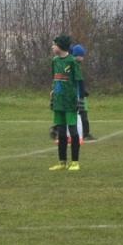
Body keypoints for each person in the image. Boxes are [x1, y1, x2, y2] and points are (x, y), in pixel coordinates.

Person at [48, 35, 83, 172]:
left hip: (70, 101)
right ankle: (62, 162)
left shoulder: (73, 62)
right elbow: (55, 80)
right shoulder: (55, 61)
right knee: (61, 132)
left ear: (61, 46)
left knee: (73, 131)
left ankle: (75, 162)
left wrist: (79, 100)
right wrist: (53, 92)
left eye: (54, 44)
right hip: (59, 102)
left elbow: (79, 81)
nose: (52, 47)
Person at [71, 43, 94, 142]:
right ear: (77, 55)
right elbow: (77, 81)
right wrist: (81, 92)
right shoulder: (74, 65)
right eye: (81, 56)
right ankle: (85, 133)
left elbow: (80, 81)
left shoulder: (77, 65)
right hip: (77, 96)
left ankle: (83, 132)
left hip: (80, 95)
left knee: (81, 114)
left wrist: (84, 91)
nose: (83, 58)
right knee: (82, 114)